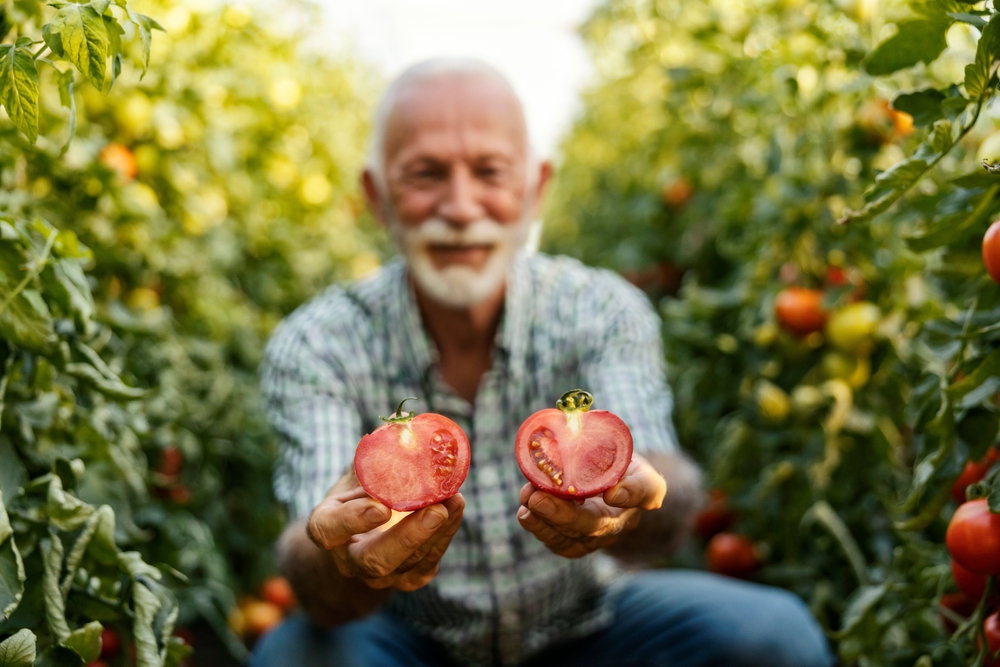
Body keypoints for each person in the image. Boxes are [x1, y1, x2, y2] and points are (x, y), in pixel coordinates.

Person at [251, 59, 833, 667]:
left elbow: (660, 472)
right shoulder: (318, 342)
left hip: (586, 626)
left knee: (773, 638)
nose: (460, 204)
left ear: (537, 189)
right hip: (405, 639)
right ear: (378, 196)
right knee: (290, 657)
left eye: (490, 172)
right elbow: (310, 549)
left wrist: (639, 496)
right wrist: (338, 549)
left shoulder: (601, 309)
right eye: (425, 174)